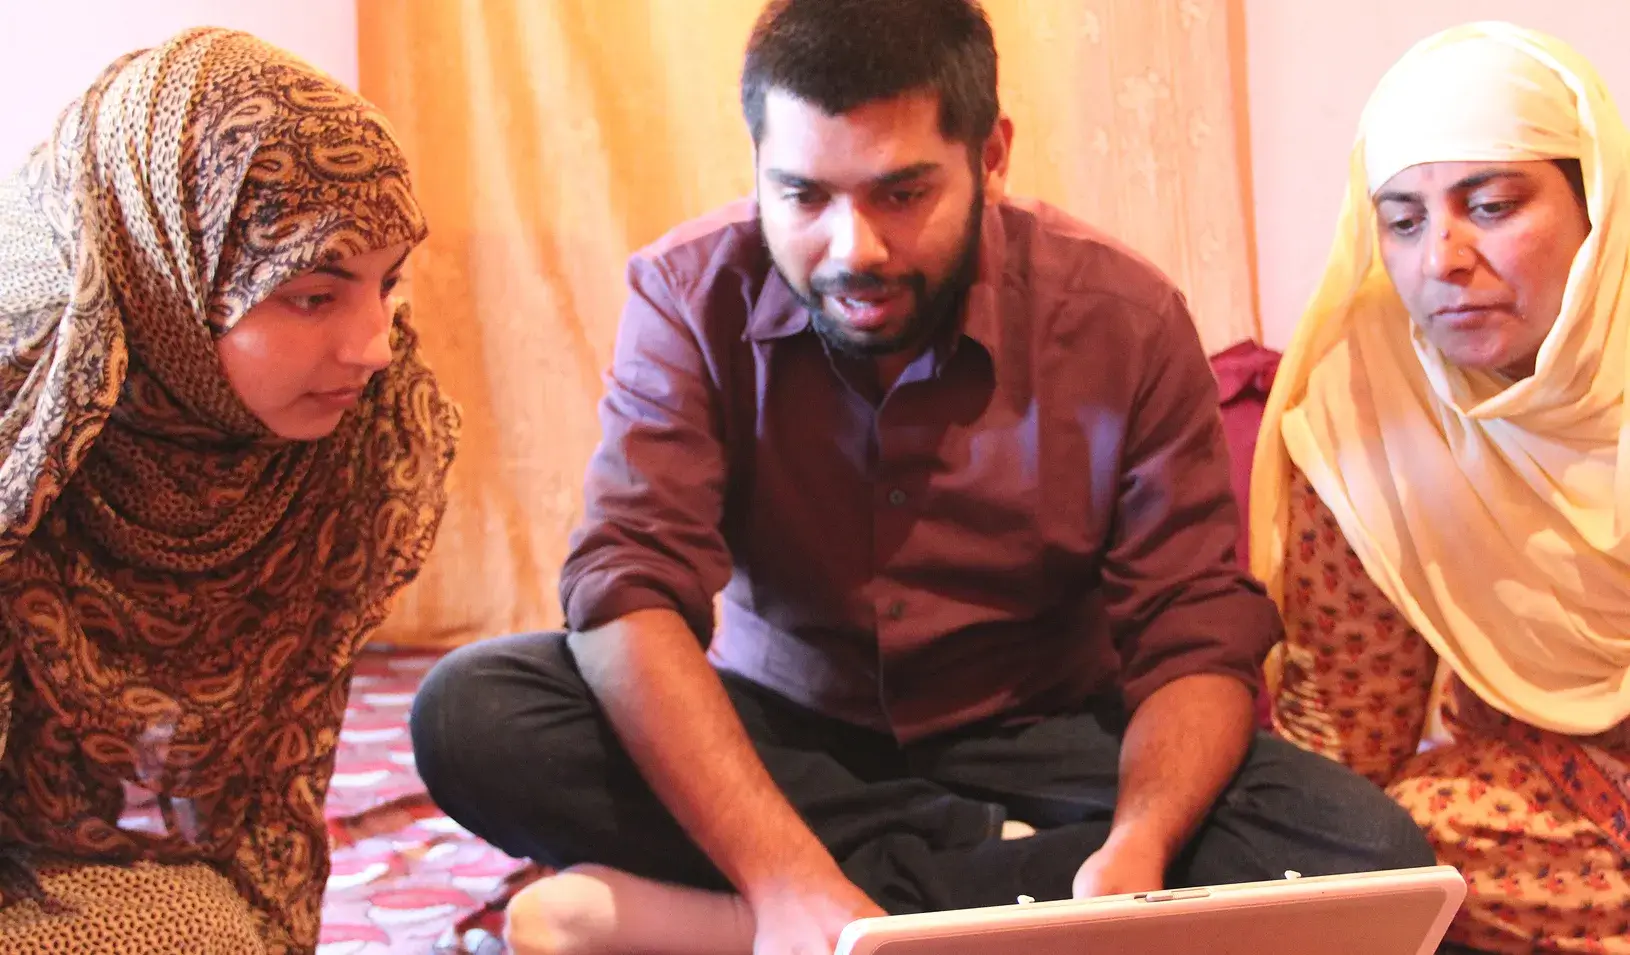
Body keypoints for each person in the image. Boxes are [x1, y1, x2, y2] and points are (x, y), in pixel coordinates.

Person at [412, 2, 1432, 953]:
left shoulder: (1122, 319)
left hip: (1047, 731)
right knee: (474, 717)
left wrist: (1139, 843)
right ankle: (959, 886)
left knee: (1364, 853)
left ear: (991, 158)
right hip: (781, 731)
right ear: (758, 165)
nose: (851, 250)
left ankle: (724, 920)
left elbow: (1191, 627)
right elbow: (628, 586)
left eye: (902, 195)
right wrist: (780, 870)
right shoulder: (688, 296)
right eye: (803, 195)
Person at [0, 28, 459, 955]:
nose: (374, 346)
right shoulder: (26, 419)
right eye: (313, 294)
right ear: (161, 270)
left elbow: (260, 800)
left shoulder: (331, 434)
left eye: (388, 283)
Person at [1252, 21, 1630, 955]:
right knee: (1393, 841)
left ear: (1598, 207)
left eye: (1491, 206)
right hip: (1524, 814)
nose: (1442, 260)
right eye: (1404, 220)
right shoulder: (1369, 404)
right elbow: (1345, 743)